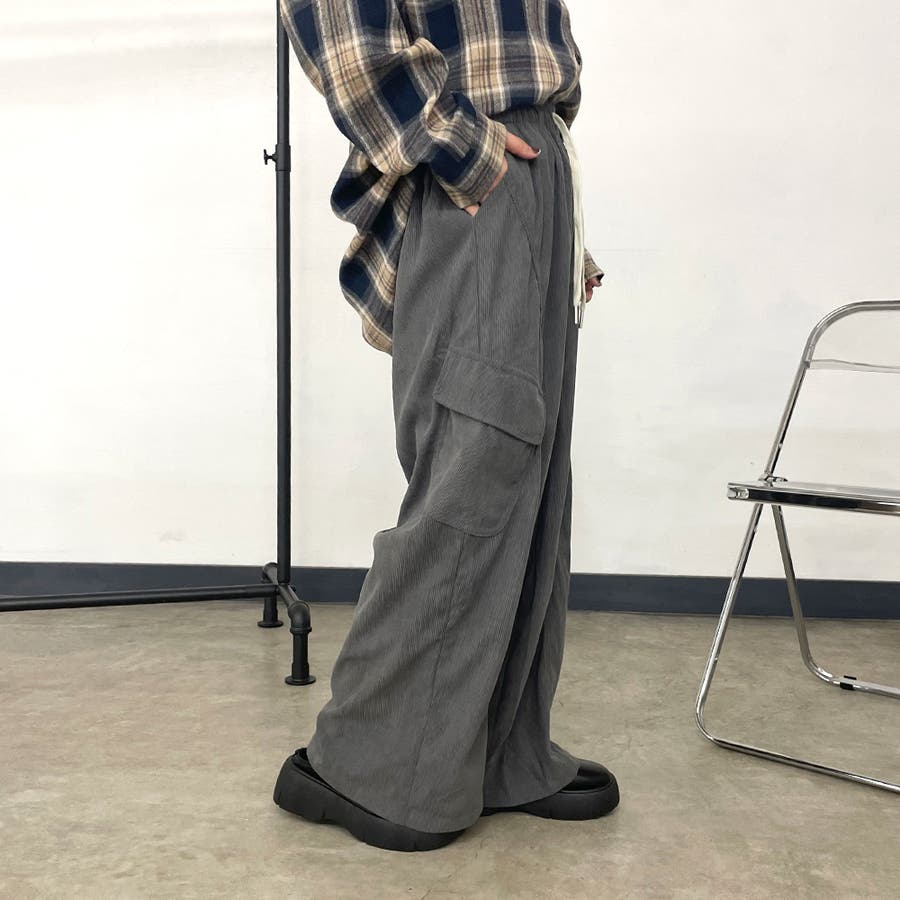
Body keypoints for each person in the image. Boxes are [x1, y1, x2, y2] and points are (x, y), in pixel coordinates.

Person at [273, 0, 617, 852]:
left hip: (529, 165)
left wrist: (554, 221)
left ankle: (498, 753)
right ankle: (369, 764)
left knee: (531, 477)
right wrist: (464, 149)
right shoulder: (469, 154)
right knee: (477, 464)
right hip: (473, 166)